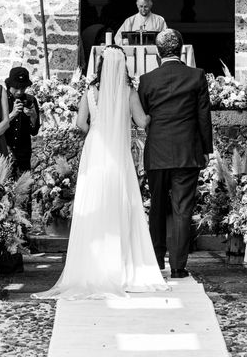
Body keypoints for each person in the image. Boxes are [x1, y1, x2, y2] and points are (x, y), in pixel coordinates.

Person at [33, 46, 168, 299]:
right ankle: (123, 266)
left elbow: (80, 123)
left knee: (94, 202)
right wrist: (153, 114)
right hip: (118, 152)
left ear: (101, 66)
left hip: (96, 150)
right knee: (120, 202)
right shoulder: (129, 92)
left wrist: (97, 130)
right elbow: (142, 122)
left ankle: (91, 266)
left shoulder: (90, 92)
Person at [138, 29, 213, 278]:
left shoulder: (147, 80)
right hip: (186, 150)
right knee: (182, 208)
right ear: (181, 50)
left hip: (157, 150)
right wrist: (206, 150)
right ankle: (179, 266)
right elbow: (204, 116)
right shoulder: (196, 76)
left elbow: (145, 115)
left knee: (157, 206)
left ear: (157, 53)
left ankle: (156, 260)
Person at [4, 67, 40, 176]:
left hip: (23, 155)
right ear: (10, 84)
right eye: (16, 88)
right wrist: (12, 114)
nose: (19, 92)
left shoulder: (31, 100)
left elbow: (34, 131)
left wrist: (33, 116)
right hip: (4, 152)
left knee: (24, 189)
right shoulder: (1, 99)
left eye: (23, 88)